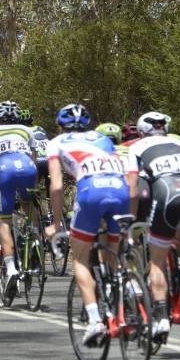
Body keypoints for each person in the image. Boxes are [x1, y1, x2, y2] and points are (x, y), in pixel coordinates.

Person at [47, 103, 134, 345]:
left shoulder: (56, 143)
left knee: (80, 259)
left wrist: (56, 223)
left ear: (59, 126)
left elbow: (55, 186)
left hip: (91, 191)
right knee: (114, 253)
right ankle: (126, 294)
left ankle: (95, 321)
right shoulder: (103, 138)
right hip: (120, 190)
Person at [126, 111, 180, 342]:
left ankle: (161, 316)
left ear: (141, 132)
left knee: (157, 259)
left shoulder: (137, 147)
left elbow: (132, 188)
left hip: (166, 196)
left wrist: (130, 219)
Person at [0, 101, 38, 300]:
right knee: (28, 205)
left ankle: (12, 267)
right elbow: (34, 160)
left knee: (4, 221)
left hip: (5, 172)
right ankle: (34, 239)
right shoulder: (26, 130)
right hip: (28, 169)